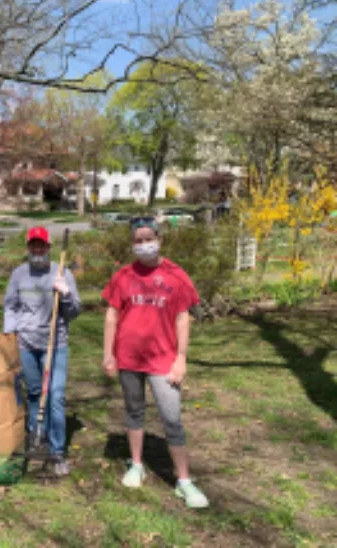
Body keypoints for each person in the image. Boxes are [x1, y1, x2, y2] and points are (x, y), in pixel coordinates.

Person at [101, 217, 209, 508]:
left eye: (148, 238)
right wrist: (108, 354)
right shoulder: (123, 276)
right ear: (132, 244)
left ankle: (184, 481)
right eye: (138, 240)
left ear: (159, 238)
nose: (144, 244)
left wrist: (181, 358)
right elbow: (112, 315)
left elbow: (183, 317)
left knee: (172, 419)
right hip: (128, 358)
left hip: (164, 360)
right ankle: (136, 464)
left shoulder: (176, 275)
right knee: (134, 411)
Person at [3, 226, 81, 476]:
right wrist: (10, 334)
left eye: (41, 245)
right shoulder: (18, 275)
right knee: (35, 392)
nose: (37, 250)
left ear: (48, 248)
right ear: (28, 247)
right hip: (26, 343)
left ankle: (57, 451)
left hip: (54, 343)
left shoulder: (62, 273)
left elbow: (75, 311)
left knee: (55, 395)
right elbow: (10, 306)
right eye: (33, 245)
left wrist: (66, 294)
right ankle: (39, 437)